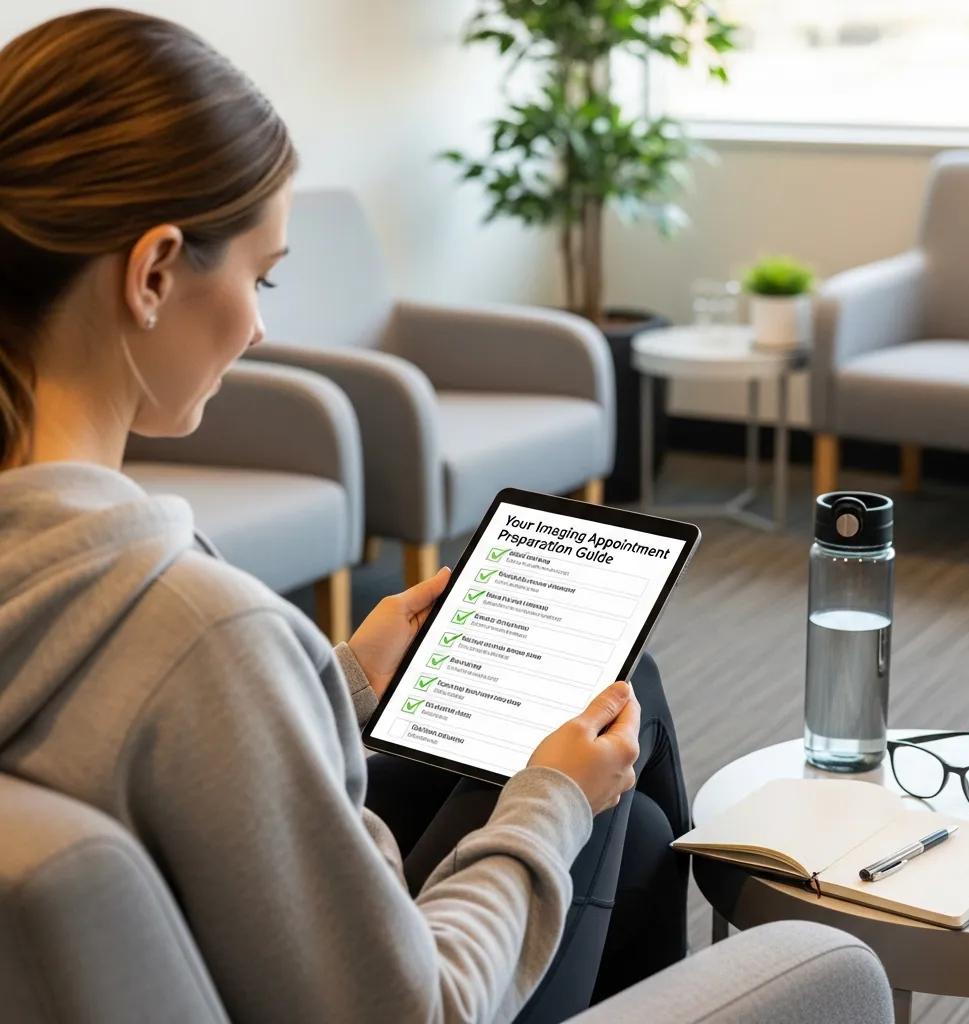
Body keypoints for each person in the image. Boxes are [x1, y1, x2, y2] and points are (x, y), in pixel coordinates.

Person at [0, 10, 689, 1023]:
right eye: (260, 274)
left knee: (622, 820)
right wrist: (546, 798)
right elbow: (425, 1007)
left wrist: (340, 678)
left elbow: (169, 745)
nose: (262, 320)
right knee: (618, 726)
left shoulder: (103, 598)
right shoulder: (208, 634)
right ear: (152, 274)